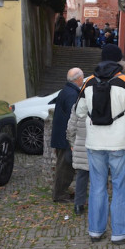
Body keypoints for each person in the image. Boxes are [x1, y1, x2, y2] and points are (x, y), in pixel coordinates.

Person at [76, 44, 125, 244]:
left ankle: (95, 231)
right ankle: (120, 232)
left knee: (97, 186)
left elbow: (79, 112)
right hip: (118, 142)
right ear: (119, 61)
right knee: (120, 187)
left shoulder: (88, 81)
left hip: (94, 142)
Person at [51, 67, 83, 203]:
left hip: (60, 136)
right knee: (65, 168)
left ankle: (60, 192)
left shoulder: (65, 91)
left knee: (63, 166)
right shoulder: (72, 94)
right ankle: (59, 194)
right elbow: (73, 116)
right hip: (65, 138)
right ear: (78, 79)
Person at [66, 102, 88, 215]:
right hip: (98, 145)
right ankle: (98, 205)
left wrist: (72, 143)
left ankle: (78, 205)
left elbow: (71, 127)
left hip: (81, 145)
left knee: (81, 176)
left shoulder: (78, 104)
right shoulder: (104, 100)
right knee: (99, 178)